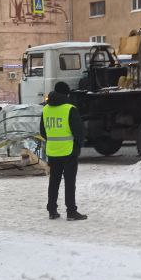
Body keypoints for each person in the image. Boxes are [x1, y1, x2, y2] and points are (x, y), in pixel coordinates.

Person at [40, 81, 87, 220]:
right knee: (69, 182)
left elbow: (42, 132)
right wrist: (78, 146)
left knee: (54, 182)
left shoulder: (45, 109)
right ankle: (71, 212)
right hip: (68, 152)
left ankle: (52, 211)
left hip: (53, 152)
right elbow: (79, 131)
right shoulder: (69, 109)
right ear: (66, 94)